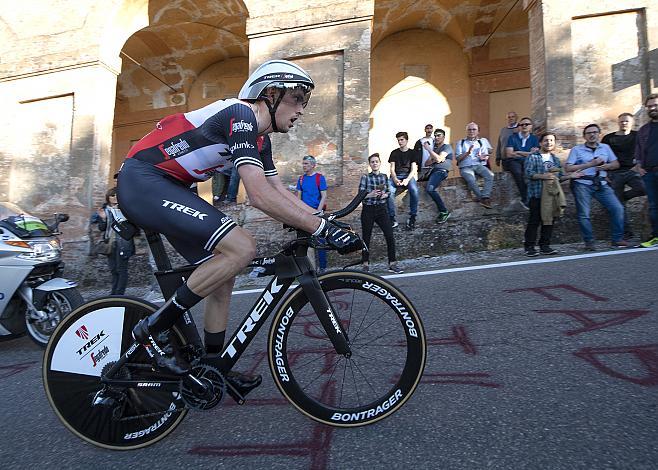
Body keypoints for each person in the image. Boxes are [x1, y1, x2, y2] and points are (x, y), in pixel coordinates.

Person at [116, 60, 361, 394]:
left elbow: (277, 191)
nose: (302, 109)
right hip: (144, 179)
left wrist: (325, 221)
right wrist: (320, 230)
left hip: (171, 187)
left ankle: (212, 366)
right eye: (298, 98)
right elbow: (258, 196)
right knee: (242, 246)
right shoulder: (240, 116)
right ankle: (153, 328)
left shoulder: (261, 141)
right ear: (271, 94)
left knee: (224, 272)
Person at [565, 123, 630, 250]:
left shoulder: (605, 147)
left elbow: (616, 164)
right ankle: (589, 242)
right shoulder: (577, 150)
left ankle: (617, 239)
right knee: (584, 214)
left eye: (595, 132)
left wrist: (608, 166)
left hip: (601, 183)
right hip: (583, 183)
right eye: (589, 133)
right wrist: (590, 164)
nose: (592, 135)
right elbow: (568, 167)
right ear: (584, 136)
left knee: (617, 208)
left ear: (599, 134)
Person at [524, 133, 583, 256]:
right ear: (540, 143)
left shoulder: (555, 159)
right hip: (537, 194)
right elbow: (528, 174)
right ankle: (529, 247)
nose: (549, 143)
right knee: (534, 221)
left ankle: (545, 246)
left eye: (551, 140)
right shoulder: (533, 157)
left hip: (552, 195)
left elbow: (559, 177)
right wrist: (544, 176)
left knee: (549, 221)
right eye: (546, 140)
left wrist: (571, 176)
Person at [602, 113, 645, 239]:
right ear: (618, 122)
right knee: (619, 206)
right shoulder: (609, 138)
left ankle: (623, 197)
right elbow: (603, 156)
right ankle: (626, 232)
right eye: (621, 121)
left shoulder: (638, 136)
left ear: (632, 122)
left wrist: (639, 166)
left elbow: (644, 151)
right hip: (615, 173)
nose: (624, 123)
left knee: (643, 188)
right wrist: (605, 174)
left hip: (632, 171)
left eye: (626, 121)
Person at [359, 153, 402, 274]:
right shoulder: (365, 178)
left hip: (381, 209)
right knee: (366, 238)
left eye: (376, 161)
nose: (374, 163)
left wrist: (385, 195)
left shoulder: (384, 176)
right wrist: (370, 194)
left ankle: (392, 263)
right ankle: (365, 264)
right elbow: (360, 196)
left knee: (389, 235)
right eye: (372, 162)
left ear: (380, 163)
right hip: (368, 210)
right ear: (370, 164)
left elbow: (388, 191)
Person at [93, 187, 136, 295]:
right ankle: (114, 293)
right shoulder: (105, 210)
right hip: (110, 244)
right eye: (112, 195)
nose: (115, 197)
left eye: (117, 195)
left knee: (121, 270)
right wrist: (103, 219)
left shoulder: (126, 208)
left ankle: (119, 293)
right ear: (108, 197)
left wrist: (120, 213)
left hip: (123, 244)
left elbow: (132, 227)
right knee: (113, 270)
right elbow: (102, 228)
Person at [296, 155, 328, 272]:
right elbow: (298, 197)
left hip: (317, 214)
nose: (304, 166)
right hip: (304, 215)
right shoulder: (301, 179)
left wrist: (318, 211)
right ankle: (309, 269)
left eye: (306, 164)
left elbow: (324, 195)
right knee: (304, 242)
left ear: (313, 165)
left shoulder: (320, 178)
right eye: (303, 163)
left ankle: (323, 268)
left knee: (320, 242)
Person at [634, 93, 658, 248]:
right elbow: (638, 151)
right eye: (650, 106)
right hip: (649, 173)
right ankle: (656, 236)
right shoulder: (643, 130)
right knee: (654, 206)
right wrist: (639, 166)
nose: (653, 108)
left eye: (655, 105)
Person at [455, 122, 494, 208]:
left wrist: (483, 157)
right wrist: (468, 152)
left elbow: (485, 155)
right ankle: (483, 199)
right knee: (471, 179)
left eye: (474, 129)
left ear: (478, 132)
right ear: (466, 131)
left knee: (490, 175)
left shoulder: (481, 142)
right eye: (469, 129)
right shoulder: (461, 142)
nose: (471, 131)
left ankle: (485, 196)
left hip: (478, 165)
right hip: (465, 166)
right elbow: (458, 158)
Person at [387, 131, 420, 230]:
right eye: (398, 140)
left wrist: (407, 180)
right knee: (389, 191)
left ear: (406, 140)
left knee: (414, 190)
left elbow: (414, 169)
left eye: (402, 140)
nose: (400, 142)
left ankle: (412, 217)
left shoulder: (412, 153)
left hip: (408, 176)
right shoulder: (394, 152)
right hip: (396, 175)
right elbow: (392, 169)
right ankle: (392, 218)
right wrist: (395, 179)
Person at [505, 117, 539, 208]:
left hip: (528, 162)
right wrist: (528, 153)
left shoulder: (534, 139)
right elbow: (509, 154)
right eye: (522, 124)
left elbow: (535, 154)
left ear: (531, 127)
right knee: (518, 173)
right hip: (514, 162)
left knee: (531, 175)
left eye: (527, 124)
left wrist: (518, 152)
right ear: (519, 127)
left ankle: (534, 199)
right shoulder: (512, 138)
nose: (524, 126)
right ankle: (525, 199)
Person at [422, 128, 453, 223]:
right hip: (432, 171)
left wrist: (428, 149)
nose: (436, 137)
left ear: (443, 137)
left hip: (441, 171)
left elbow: (439, 159)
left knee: (430, 189)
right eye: (435, 135)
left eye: (439, 135)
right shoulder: (435, 149)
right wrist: (434, 156)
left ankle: (444, 211)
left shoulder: (446, 147)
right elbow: (427, 163)